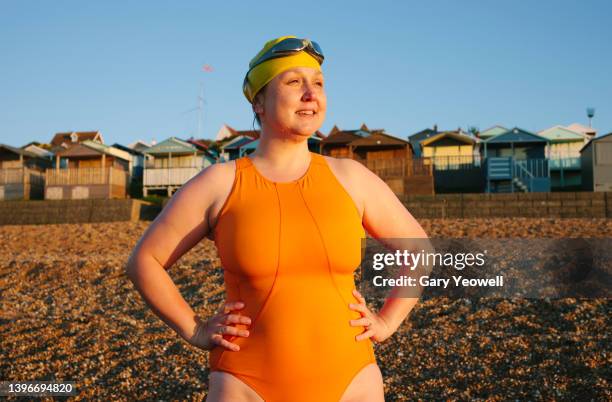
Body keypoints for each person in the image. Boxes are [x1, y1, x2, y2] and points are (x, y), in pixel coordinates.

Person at [126, 35, 428, 402]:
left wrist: (386, 321)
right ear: (259, 103)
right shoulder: (220, 183)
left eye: (318, 83)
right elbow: (145, 261)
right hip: (245, 384)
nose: (310, 93)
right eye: (293, 82)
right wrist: (195, 329)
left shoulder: (351, 178)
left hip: (353, 382)